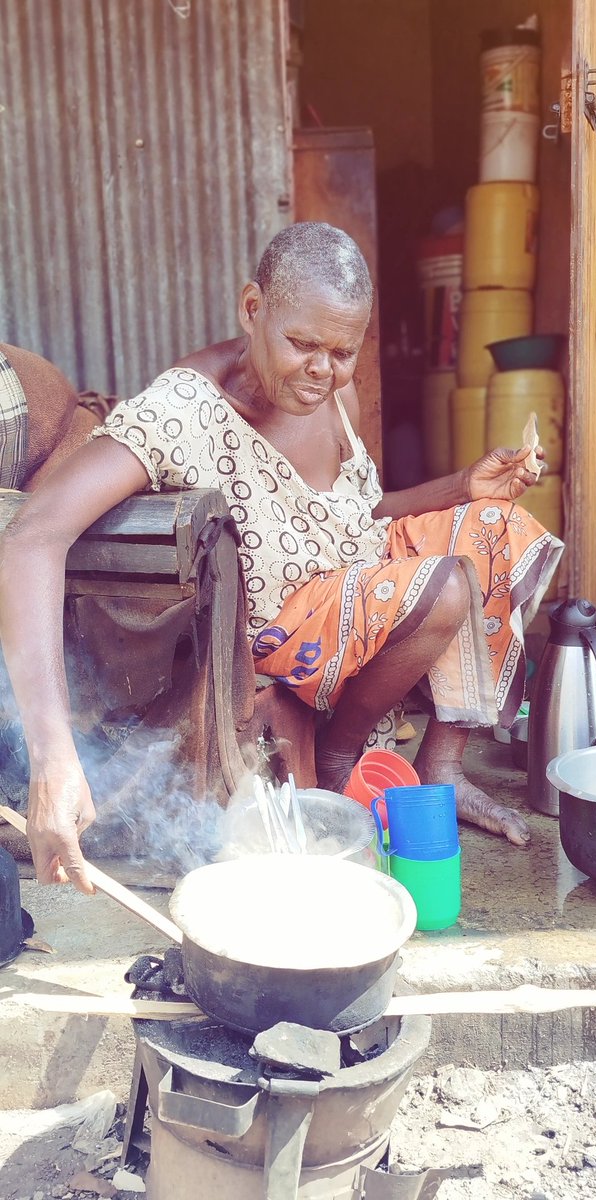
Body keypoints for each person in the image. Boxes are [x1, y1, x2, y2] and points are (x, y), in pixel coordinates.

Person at [0, 222, 563, 894]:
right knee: (442, 590)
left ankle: (441, 768)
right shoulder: (185, 410)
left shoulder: (333, 393)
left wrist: (460, 487)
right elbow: (32, 536)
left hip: (352, 590)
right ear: (252, 309)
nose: (321, 372)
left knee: (497, 528)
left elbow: (355, 515)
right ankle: (337, 752)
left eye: (342, 352)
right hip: (279, 633)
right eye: (301, 345)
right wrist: (53, 757)